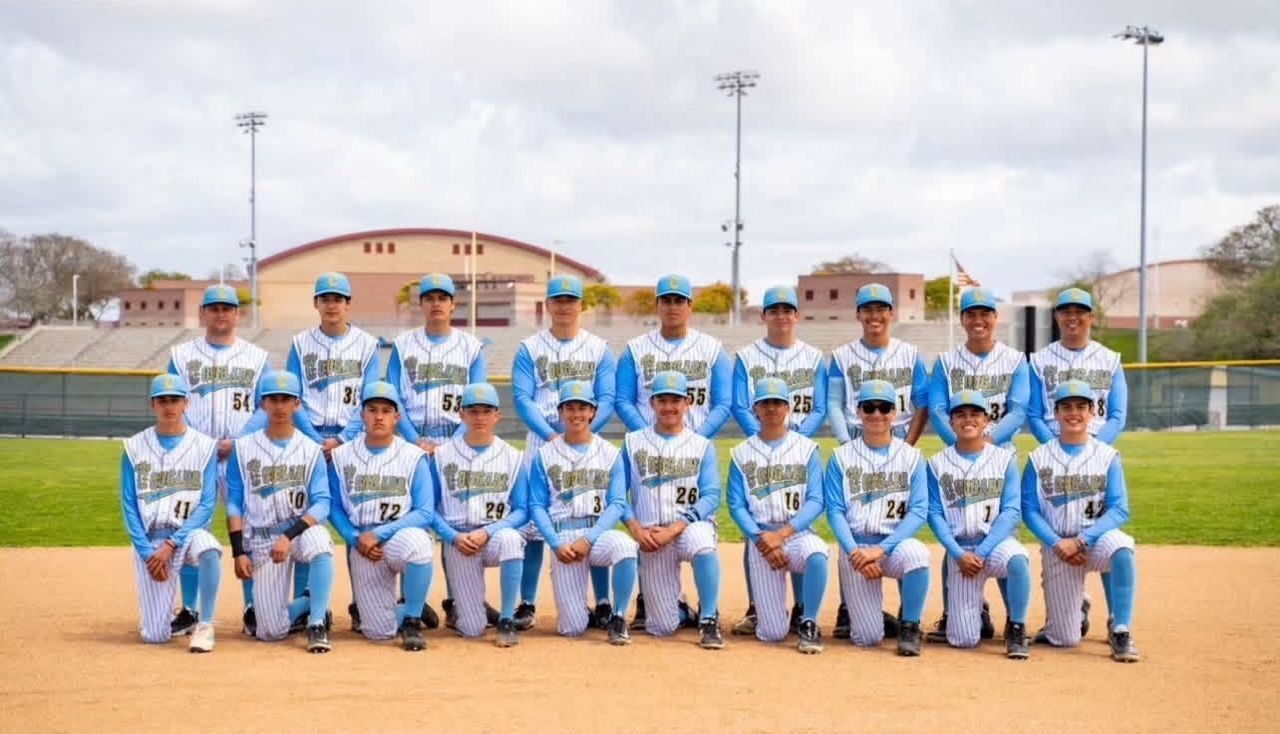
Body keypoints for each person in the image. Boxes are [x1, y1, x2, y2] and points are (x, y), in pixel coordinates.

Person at [616, 275, 731, 628]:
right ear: (657, 305)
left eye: (679, 300)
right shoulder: (635, 349)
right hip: (647, 448)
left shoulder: (712, 349)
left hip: (694, 449)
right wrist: (650, 437)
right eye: (666, 300)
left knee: (698, 534)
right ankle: (656, 601)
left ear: (690, 306)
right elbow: (623, 400)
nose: (672, 306)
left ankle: (709, 612)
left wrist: (691, 440)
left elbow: (723, 403)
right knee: (650, 521)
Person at [275, 272, 387, 632]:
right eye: (325, 298)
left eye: (338, 299)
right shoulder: (300, 343)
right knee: (305, 520)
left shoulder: (367, 345)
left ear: (348, 304)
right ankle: (306, 603)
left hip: (352, 440)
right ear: (316, 303)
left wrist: (343, 439)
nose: (332, 304)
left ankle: (361, 603)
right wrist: (313, 439)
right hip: (308, 439)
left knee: (360, 517)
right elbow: (293, 395)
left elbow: (369, 397)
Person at [511, 274, 617, 632]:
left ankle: (603, 603)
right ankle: (527, 602)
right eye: (558, 299)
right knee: (532, 526)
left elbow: (606, 398)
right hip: (542, 443)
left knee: (591, 517)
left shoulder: (599, 348)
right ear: (548, 305)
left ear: (581, 305)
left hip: (587, 442)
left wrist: (583, 431)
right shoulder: (530, 347)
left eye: (571, 300)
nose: (565, 306)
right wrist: (551, 434)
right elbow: (522, 398)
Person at [825, 282, 930, 640]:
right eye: (867, 309)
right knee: (856, 515)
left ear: (891, 313)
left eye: (880, 308)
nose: (874, 315)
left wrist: (907, 445)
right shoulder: (843, 356)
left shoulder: (910, 354)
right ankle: (852, 607)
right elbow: (834, 403)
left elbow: (921, 403)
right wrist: (847, 444)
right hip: (855, 439)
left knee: (900, 525)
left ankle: (908, 616)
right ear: (858, 314)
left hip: (897, 441)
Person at [925, 286, 1029, 642]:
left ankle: (1015, 619)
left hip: (999, 457)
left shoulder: (1014, 360)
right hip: (956, 455)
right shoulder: (946, 362)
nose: (978, 320)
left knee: (1004, 538)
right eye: (971, 314)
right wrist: (961, 442)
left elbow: (1018, 410)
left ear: (995, 317)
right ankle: (959, 612)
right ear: (962, 319)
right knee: (956, 533)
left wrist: (987, 442)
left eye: (985, 313)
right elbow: (938, 408)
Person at [386, 272, 487, 630]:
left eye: (442, 298)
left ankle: (458, 600)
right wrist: (413, 438)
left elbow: (477, 397)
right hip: (410, 439)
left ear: (453, 304)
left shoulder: (471, 347)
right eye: (430, 298)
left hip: (455, 440)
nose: (436, 303)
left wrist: (454, 440)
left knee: (455, 518)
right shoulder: (403, 345)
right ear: (422, 303)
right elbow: (394, 395)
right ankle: (410, 598)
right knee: (411, 516)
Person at [166, 283, 268, 635]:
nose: (221, 313)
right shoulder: (181, 355)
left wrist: (238, 440)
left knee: (249, 530)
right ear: (203, 314)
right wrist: (200, 442)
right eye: (214, 308)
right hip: (196, 456)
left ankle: (253, 605)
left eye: (227, 308)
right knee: (191, 528)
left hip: (242, 456)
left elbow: (266, 404)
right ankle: (190, 608)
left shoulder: (257, 357)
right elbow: (172, 399)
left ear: (237, 314)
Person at [1027, 287, 1128, 638]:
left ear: (1091, 317)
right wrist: (1056, 451)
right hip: (1054, 454)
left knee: (1106, 533)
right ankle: (1074, 601)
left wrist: (1093, 452)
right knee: (1059, 526)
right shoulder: (1040, 360)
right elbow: (1035, 413)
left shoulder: (1110, 359)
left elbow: (1117, 414)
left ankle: (1117, 619)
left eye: (1080, 311)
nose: (1073, 317)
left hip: (1097, 453)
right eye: (1066, 311)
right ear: (1057, 316)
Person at [728, 286, 827, 638]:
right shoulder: (746, 356)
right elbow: (739, 405)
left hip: (796, 445)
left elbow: (819, 407)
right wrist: (763, 436)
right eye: (774, 310)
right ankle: (758, 608)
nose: (781, 315)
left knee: (801, 531)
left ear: (797, 315)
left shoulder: (813, 357)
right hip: (760, 442)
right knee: (756, 518)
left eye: (787, 309)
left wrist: (793, 439)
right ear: (764, 315)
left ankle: (803, 609)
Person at [1022, 380, 1140, 662]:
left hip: (1096, 540)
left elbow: (1120, 510)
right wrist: (1056, 543)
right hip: (1058, 547)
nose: (1073, 413)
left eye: (1080, 407)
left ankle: (1121, 629)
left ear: (1092, 412)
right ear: (1056, 413)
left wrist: (1082, 540)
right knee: (1064, 639)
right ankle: (1078, 606)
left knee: (1123, 547)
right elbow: (1029, 510)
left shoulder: (1107, 456)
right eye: (1066, 407)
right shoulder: (1038, 458)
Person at [225, 372, 336, 653]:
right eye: (272, 399)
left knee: (320, 542)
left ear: (297, 404)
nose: (279, 406)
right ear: (262, 404)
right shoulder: (243, 449)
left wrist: (289, 536)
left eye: (286, 399)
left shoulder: (311, 450)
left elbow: (322, 503)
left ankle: (317, 622)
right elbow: (235, 502)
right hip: (262, 538)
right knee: (270, 632)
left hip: (299, 533)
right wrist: (238, 551)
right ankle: (308, 601)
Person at [328, 382, 437, 651]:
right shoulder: (341, 457)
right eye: (373, 410)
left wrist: (378, 534)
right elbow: (333, 506)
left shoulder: (413, 456)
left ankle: (412, 617)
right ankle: (408, 608)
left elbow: (425, 511)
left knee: (420, 545)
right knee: (377, 632)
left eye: (386, 411)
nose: (379, 416)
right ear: (362, 415)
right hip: (363, 543)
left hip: (399, 535)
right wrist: (354, 538)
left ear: (396, 417)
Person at [825, 380, 930, 656]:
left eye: (884, 408)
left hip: (894, 546)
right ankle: (875, 616)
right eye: (869, 407)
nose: (876, 414)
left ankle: (910, 625)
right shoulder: (840, 458)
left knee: (918, 554)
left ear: (894, 413)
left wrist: (881, 550)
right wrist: (855, 552)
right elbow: (834, 511)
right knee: (867, 638)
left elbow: (919, 511)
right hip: (856, 549)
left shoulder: (912, 457)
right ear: (858, 412)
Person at [528, 381, 638, 644]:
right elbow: (536, 506)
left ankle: (618, 617)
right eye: (570, 408)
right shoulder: (544, 455)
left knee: (625, 546)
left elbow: (617, 503)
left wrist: (589, 539)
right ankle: (580, 610)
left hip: (598, 534)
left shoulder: (610, 453)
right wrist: (555, 543)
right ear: (561, 412)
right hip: (563, 538)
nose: (576, 414)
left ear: (592, 412)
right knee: (572, 628)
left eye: (582, 407)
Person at [622, 371, 725, 649]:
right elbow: (617, 495)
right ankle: (680, 609)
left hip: (688, 527)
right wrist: (636, 530)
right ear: (652, 403)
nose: (669, 406)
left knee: (702, 542)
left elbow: (711, 496)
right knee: (661, 627)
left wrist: (677, 527)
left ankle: (709, 617)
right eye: (662, 400)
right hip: (651, 536)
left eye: (675, 400)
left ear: (688, 402)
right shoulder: (632, 443)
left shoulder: (701, 445)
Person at [926, 390, 1033, 660]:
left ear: (987, 421)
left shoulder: (1004, 459)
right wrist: (957, 553)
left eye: (975, 414)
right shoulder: (936, 464)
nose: (968, 419)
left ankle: (1017, 626)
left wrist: (983, 551)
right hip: (960, 551)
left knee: (1018, 557)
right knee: (963, 640)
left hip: (995, 546)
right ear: (951, 423)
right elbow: (934, 514)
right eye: (960, 415)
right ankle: (978, 612)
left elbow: (1011, 511)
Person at [120, 374, 221, 652]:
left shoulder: (204, 446)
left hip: (187, 536)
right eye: (162, 400)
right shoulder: (134, 447)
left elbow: (206, 505)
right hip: (150, 543)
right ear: (152, 405)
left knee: (210, 549)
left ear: (186, 403)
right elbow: (129, 504)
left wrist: (172, 544)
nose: (169, 406)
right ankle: (169, 617)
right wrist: (147, 552)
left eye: (175, 400)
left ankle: (205, 625)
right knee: (154, 636)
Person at [727, 378, 828, 654]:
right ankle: (771, 612)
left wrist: (782, 535)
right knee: (772, 633)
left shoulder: (807, 448)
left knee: (817, 553)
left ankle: (809, 621)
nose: (772, 408)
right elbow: (736, 505)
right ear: (755, 409)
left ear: (788, 408)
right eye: (765, 403)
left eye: (778, 402)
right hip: (760, 539)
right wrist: (761, 539)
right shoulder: (741, 453)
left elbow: (816, 500)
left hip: (797, 534)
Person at [430, 383, 529, 648]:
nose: (479, 418)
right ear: (461, 415)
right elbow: (429, 509)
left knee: (511, 539)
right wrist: (452, 536)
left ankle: (506, 618)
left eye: (486, 411)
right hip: (458, 540)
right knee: (471, 629)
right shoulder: (441, 456)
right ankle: (472, 606)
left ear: (497, 416)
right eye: (473, 411)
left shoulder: (513, 457)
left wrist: (489, 531)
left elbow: (522, 510)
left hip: (494, 536)